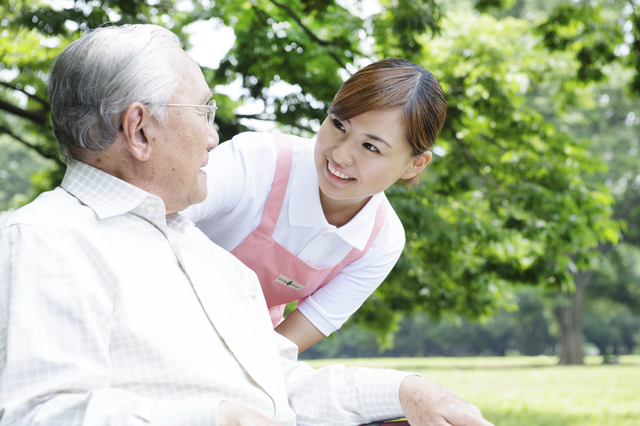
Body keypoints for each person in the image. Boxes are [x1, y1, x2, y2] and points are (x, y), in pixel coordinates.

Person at [0, 24, 493, 426]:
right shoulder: (46, 240)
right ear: (140, 129)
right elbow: (35, 414)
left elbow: (269, 378)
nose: (216, 139)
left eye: (372, 147)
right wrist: (214, 419)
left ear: (414, 164)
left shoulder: (209, 261)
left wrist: (407, 392)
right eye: (204, 111)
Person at [183, 58, 446, 352]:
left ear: (414, 164)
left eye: (371, 147)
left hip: (243, 347)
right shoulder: (256, 161)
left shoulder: (381, 241)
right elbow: (153, 215)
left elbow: (284, 344)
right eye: (338, 125)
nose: (341, 155)